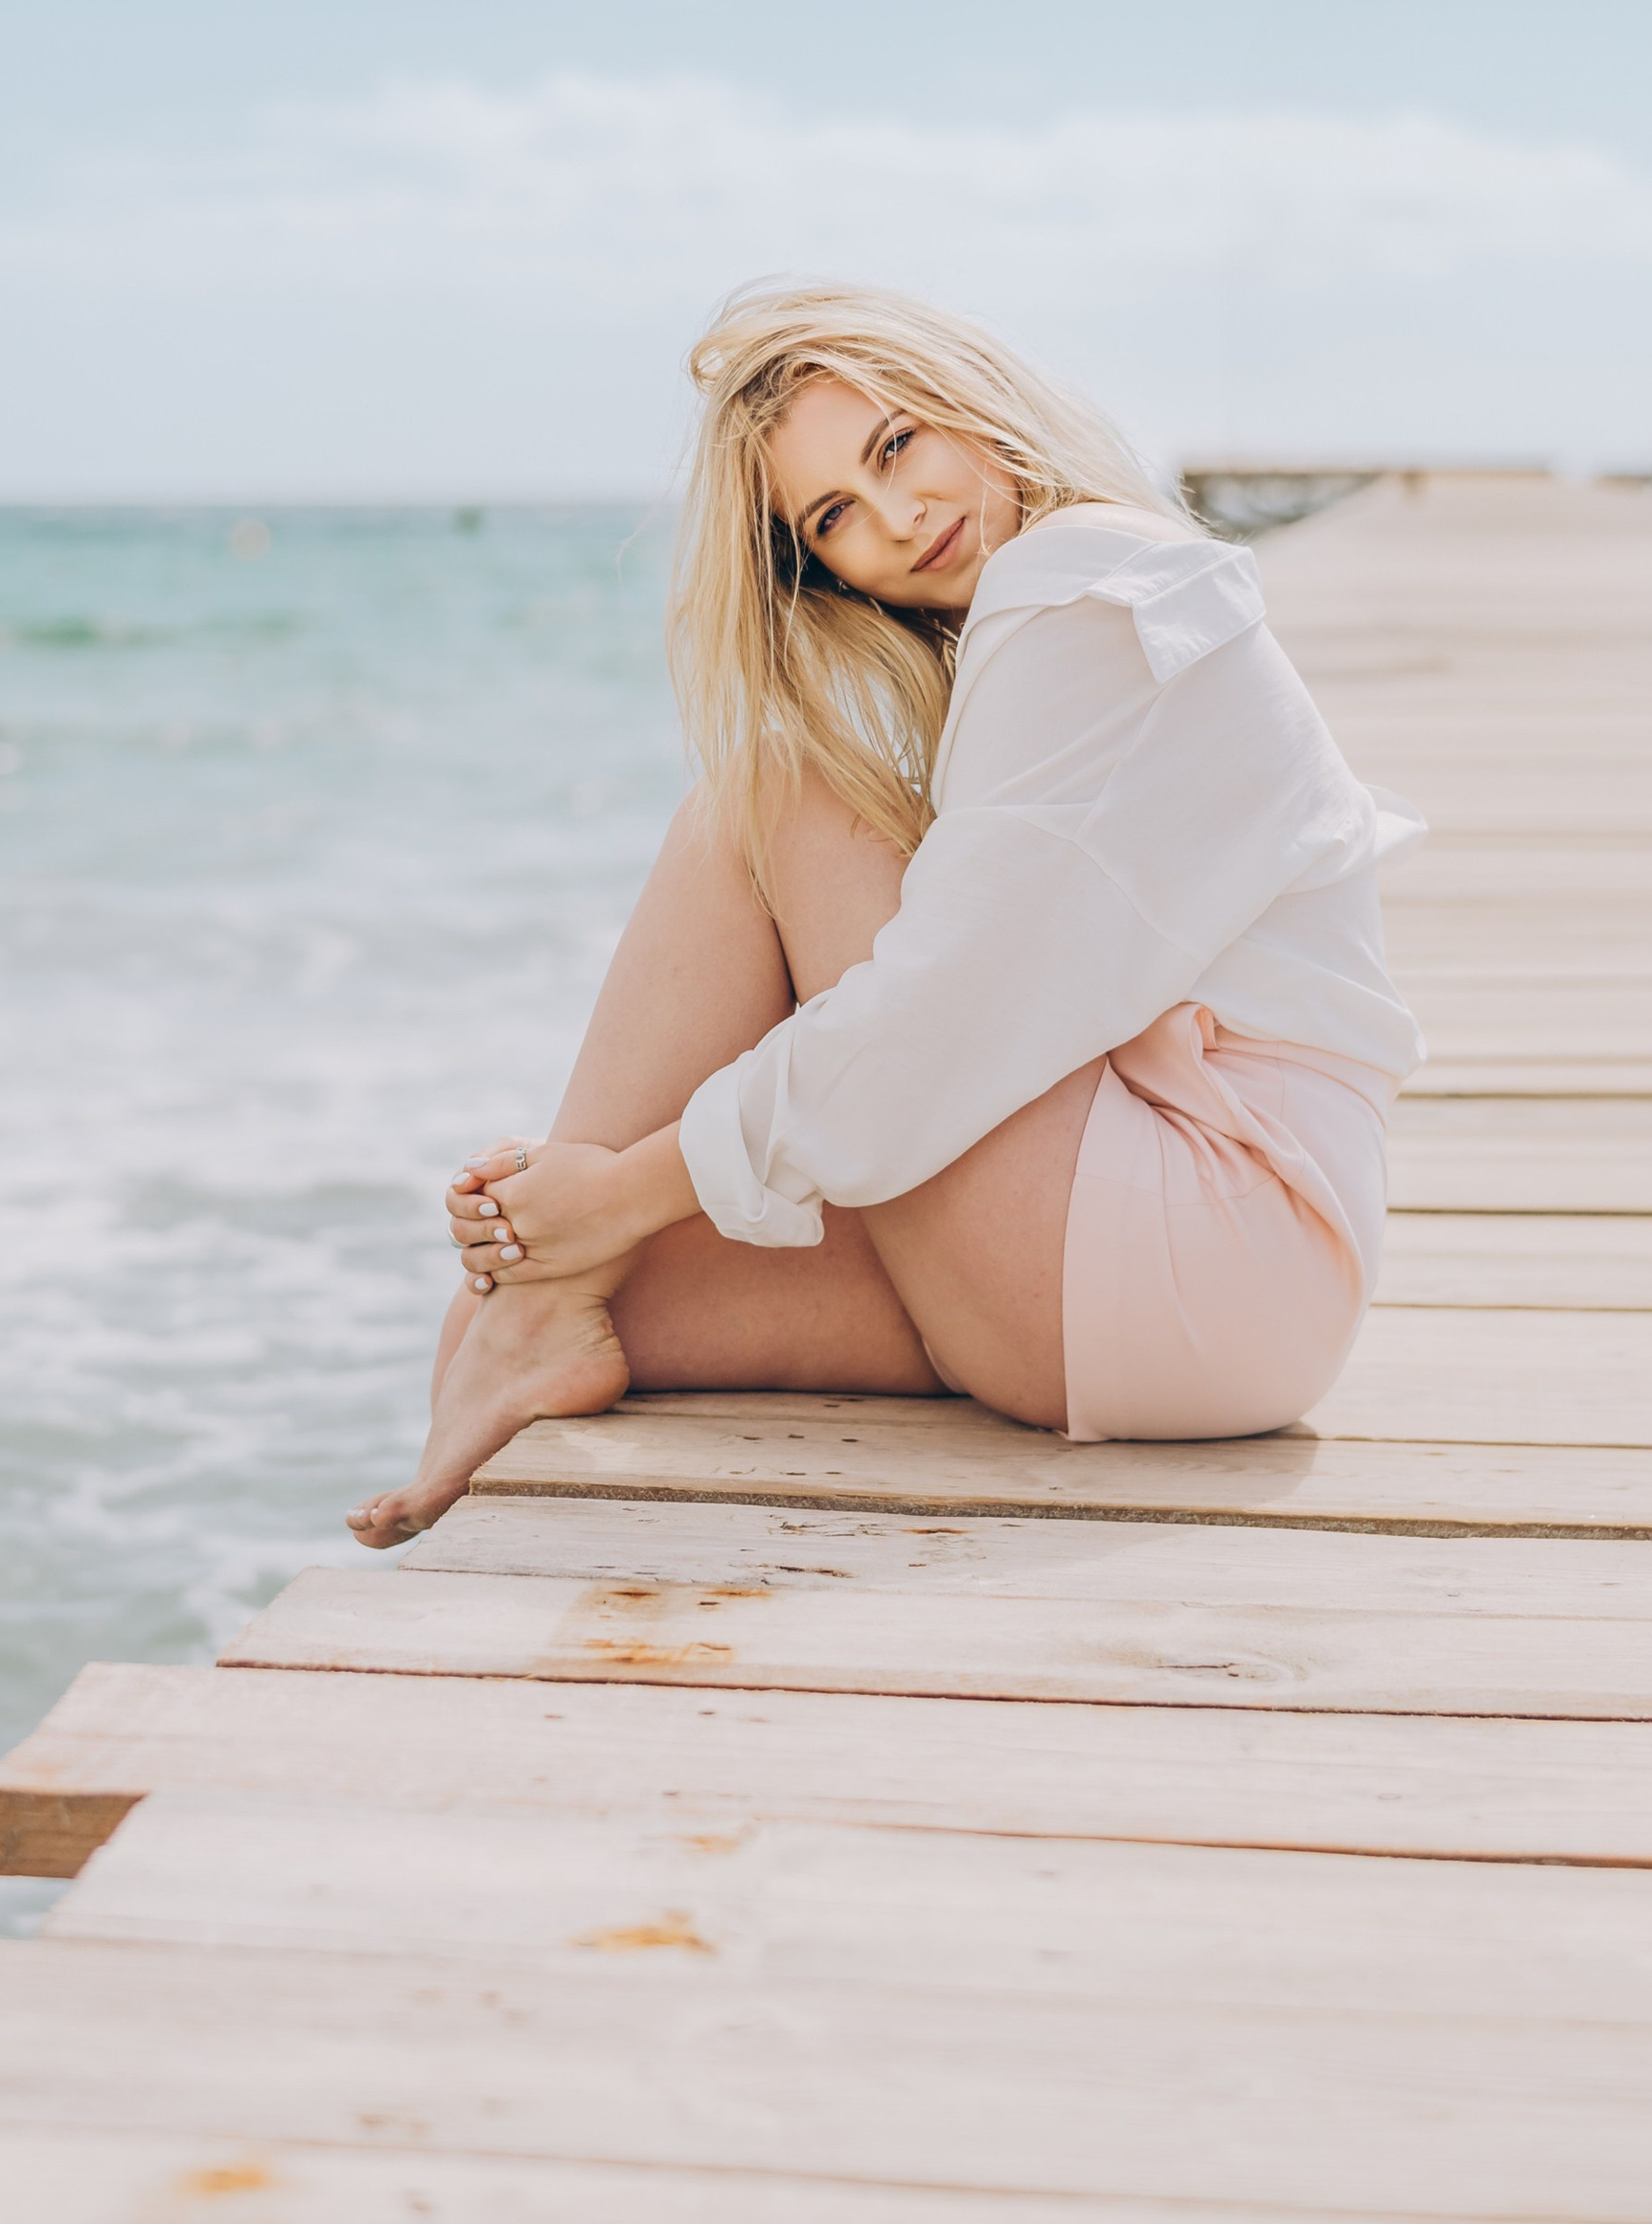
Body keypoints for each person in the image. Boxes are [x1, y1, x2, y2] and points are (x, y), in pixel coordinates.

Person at [350, 284, 1421, 1550]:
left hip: (1215, 1241)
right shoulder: (1062, 608)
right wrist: (616, 1221)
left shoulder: (1092, 593)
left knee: (765, 799)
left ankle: (552, 1274)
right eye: (835, 518)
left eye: (898, 444)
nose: (896, 520)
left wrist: (625, 1189)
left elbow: (941, 1019)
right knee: (534, 1320)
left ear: (968, 396)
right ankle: (536, 1314)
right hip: (1225, 1304)